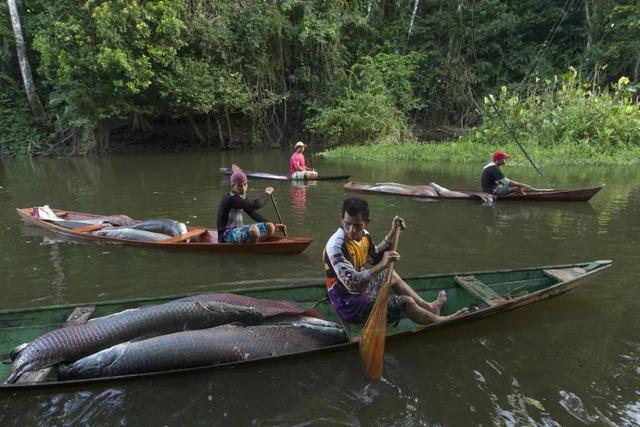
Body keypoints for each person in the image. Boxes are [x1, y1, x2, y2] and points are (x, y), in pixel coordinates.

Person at [323, 197, 468, 325]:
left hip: (361, 292)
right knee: (406, 302)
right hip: (349, 304)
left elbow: (375, 256)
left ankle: (429, 308)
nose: (352, 230)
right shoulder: (336, 246)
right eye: (347, 224)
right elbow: (353, 284)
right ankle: (439, 321)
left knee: (391, 275)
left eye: (357, 225)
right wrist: (382, 264)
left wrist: (392, 232)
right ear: (341, 218)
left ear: (367, 222)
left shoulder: (365, 236)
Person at [217, 165, 286, 243]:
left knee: (270, 227)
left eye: (245, 184)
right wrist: (266, 193)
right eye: (240, 186)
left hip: (239, 229)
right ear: (232, 186)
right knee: (254, 231)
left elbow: (251, 213)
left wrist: (275, 224)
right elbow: (256, 205)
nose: (243, 188)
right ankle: (251, 245)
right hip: (226, 235)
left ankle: (255, 242)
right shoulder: (231, 199)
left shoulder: (241, 196)